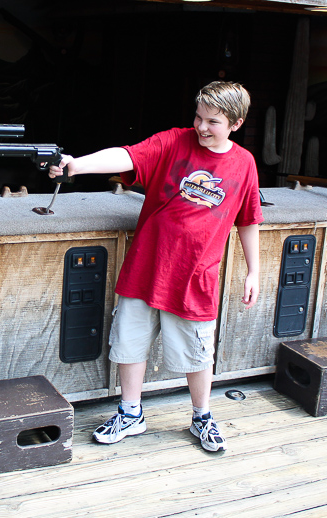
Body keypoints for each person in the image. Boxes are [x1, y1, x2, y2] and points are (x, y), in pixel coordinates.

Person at [49, 81, 262, 452]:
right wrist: (77, 166)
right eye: (198, 117)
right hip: (146, 267)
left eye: (212, 121)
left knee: (199, 353)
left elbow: (248, 219)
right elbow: (128, 156)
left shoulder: (244, 164)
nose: (201, 127)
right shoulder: (175, 141)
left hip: (196, 276)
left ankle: (202, 417)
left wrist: (253, 271)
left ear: (236, 123)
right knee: (128, 344)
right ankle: (130, 415)